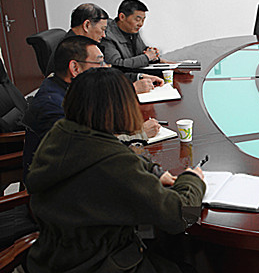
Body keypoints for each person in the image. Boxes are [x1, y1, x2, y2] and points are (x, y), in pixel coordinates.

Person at [18, 68, 207, 273]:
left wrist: (152, 172)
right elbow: (182, 217)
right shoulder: (114, 165)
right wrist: (192, 181)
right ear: (120, 108)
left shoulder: (60, 135)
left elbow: (107, 153)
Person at [21, 36, 161, 182]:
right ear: (75, 68)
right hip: (61, 185)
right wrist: (139, 134)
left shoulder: (63, 86)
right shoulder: (54, 106)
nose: (106, 67)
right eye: (100, 62)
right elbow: (88, 151)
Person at [47, 3, 163, 93]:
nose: (104, 35)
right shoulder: (71, 51)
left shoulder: (85, 45)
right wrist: (131, 88)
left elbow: (107, 73)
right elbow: (93, 91)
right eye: (102, 29)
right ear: (87, 25)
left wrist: (138, 77)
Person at [102, 0, 168, 69]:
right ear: (122, 17)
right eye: (137, 19)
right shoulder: (107, 35)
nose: (141, 24)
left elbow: (141, 53)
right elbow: (116, 64)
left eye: (143, 20)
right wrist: (147, 57)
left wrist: (153, 54)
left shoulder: (132, 30)